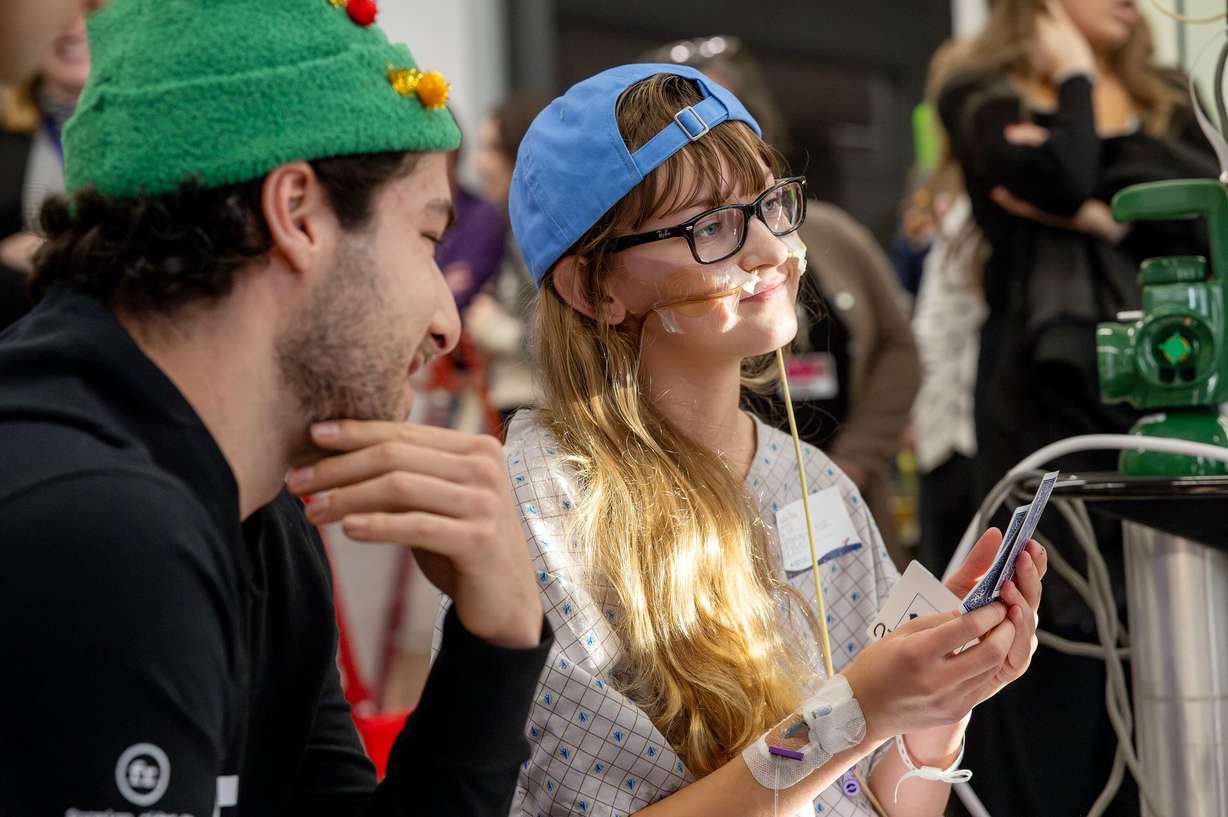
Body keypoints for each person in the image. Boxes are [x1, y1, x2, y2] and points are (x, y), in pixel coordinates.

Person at [438, 63, 1049, 817]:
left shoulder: (812, 481)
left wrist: (937, 702)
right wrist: (854, 714)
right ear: (594, 288)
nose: (771, 250)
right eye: (710, 227)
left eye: (769, 206)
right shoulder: (543, 508)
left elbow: (888, 803)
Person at [0, 1, 551, 815]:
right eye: (427, 238)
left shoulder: (258, 518)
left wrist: (495, 646)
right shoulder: (100, 526)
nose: (445, 321)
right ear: (296, 212)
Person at [931, 1, 1217, 814]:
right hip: (1038, 404)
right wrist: (1080, 82)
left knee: (1173, 636)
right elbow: (1062, 177)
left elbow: (1196, 216)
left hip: (1166, 391)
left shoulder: (1169, 92)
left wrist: (1091, 204)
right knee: (1047, 636)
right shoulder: (977, 89)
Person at [646, 36, 921, 566]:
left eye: (722, 118)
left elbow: (897, 348)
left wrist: (852, 463)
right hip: (713, 518)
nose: (768, 254)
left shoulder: (832, 236)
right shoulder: (670, 266)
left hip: (842, 503)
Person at [0, 3, 91, 329]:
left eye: (89, 9)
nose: (73, 28)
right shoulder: (7, 135)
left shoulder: (150, 132)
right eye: (58, 15)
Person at [464, 93, 553, 427]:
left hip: (536, 406)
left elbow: (565, 340)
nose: (479, 164)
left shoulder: (539, 233)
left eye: (491, 148)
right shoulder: (507, 224)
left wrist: (495, 330)